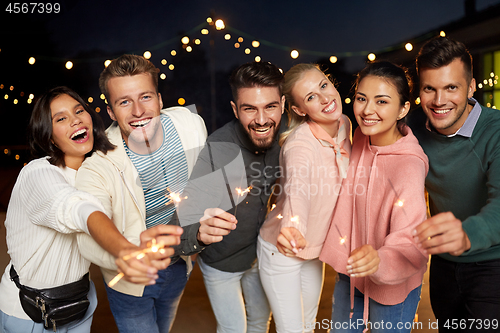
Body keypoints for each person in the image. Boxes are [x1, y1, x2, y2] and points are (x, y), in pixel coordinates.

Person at [0, 86, 182, 333]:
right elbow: (78, 208)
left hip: (80, 305)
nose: (75, 120)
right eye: (61, 118)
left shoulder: (100, 171)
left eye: (79, 111)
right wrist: (125, 250)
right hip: (30, 313)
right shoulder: (38, 173)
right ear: (49, 135)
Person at [74, 54, 227, 333]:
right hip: (129, 283)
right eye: (124, 102)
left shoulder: (190, 125)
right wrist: (129, 255)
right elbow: (87, 234)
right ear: (110, 112)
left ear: (159, 100)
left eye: (145, 97)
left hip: (180, 265)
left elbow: (202, 182)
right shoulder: (98, 165)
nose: (137, 111)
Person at [173, 61, 286, 333]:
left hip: (261, 255)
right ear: (235, 109)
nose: (261, 120)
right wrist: (200, 232)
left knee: (260, 322)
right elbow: (180, 222)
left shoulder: (290, 136)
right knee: (234, 329)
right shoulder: (218, 149)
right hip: (221, 264)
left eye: (270, 106)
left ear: (283, 104)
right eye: (250, 109)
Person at [320, 61, 429, 333]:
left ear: (403, 108)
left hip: (392, 283)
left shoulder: (409, 166)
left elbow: (412, 239)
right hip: (351, 271)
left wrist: (380, 260)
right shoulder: (359, 137)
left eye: (381, 101)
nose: (367, 110)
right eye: (361, 99)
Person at [411, 36, 500, 332]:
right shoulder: (413, 133)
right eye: (429, 89)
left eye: (451, 87)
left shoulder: (495, 131)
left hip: (493, 265)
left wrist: (465, 234)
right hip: (443, 269)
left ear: (471, 87)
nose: (439, 101)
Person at [256, 63, 351, 333]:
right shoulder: (299, 144)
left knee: (307, 326)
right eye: (310, 97)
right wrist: (293, 229)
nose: (324, 98)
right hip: (283, 247)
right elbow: (298, 189)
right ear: (299, 110)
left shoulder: (344, 123)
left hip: (314, 249)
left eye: (323, 86)